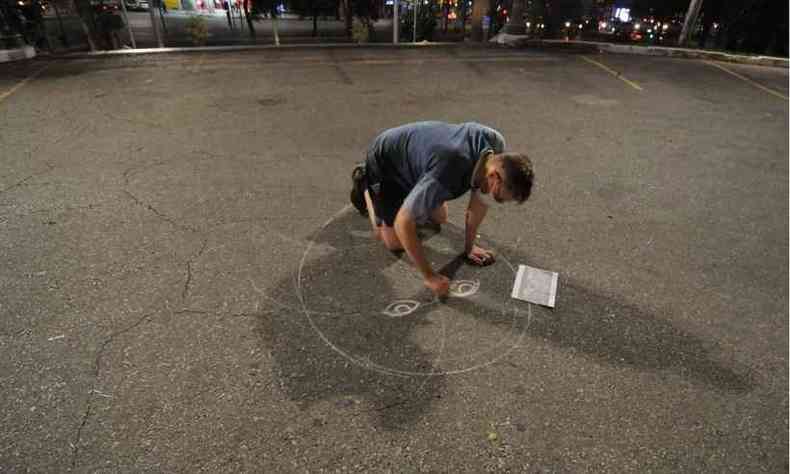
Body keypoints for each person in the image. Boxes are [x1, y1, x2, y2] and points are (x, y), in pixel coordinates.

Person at [350, 121, 534, 298]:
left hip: (423, 162)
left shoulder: (496, 145)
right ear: (494, 176)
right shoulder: (449, 170)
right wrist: (430, 276)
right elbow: (403, 223)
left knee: (440, 218)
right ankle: (365, 182)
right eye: (499, 195)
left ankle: (415, 190)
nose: (497, 199)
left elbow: (478, 202)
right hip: (386, 160)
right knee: (394, 242)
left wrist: (469, 248)